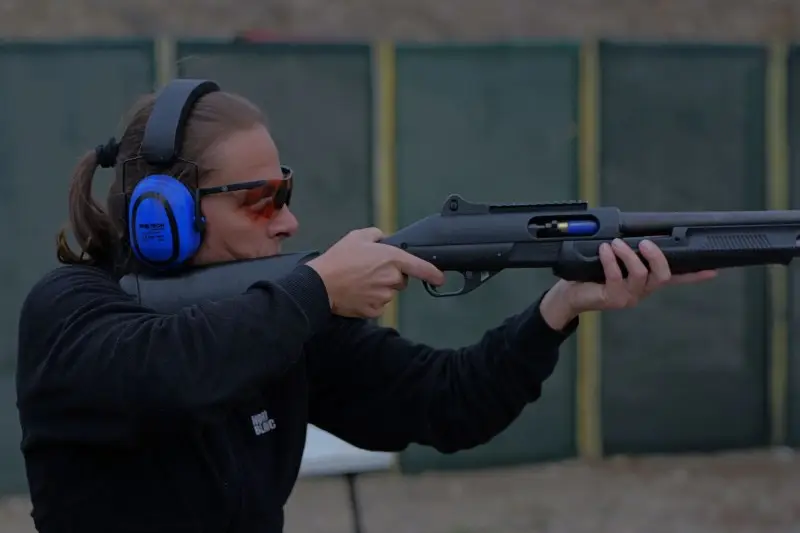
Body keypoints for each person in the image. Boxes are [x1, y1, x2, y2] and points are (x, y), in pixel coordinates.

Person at [15, 86, 717, 533]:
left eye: (285, 193)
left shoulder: (283, 323)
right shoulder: (70, 313)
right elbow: (173, 376)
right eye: (260, 201)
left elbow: (448, 404)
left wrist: (558, 307)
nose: (288, 222)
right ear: (163, 216)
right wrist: (318, 290)